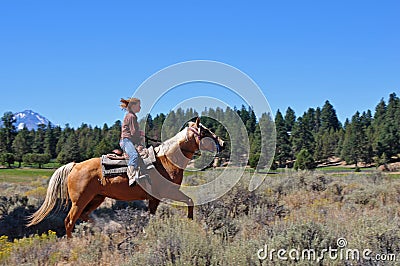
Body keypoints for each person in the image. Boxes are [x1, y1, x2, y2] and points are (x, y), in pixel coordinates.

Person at [120, 97, 148, 186]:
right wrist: (140, 136)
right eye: (139, 105)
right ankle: (131, 176)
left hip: (129, 140)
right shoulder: (131, 116)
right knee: (134, 155)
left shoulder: (131, 115)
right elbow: (134, 133)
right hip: (126, 140)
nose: (140, 107)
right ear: (133, 106)